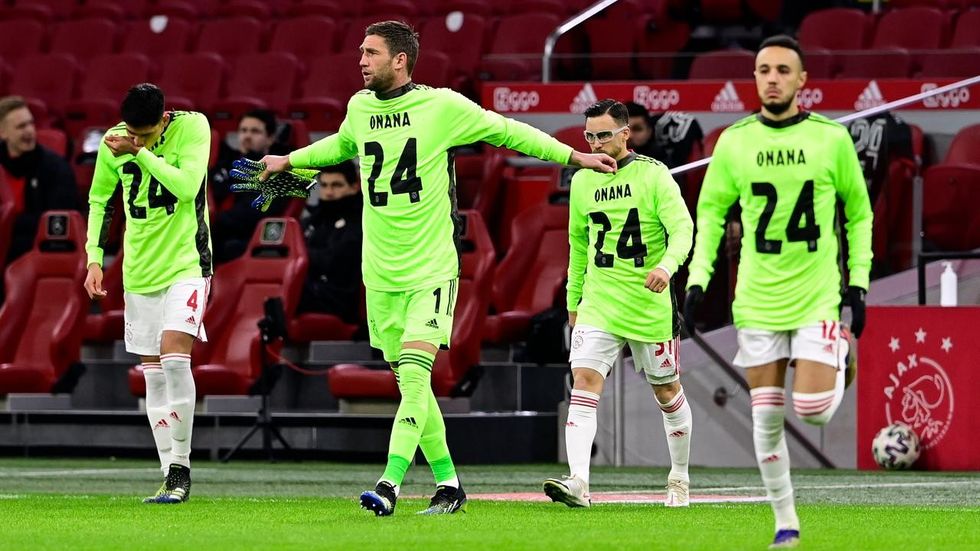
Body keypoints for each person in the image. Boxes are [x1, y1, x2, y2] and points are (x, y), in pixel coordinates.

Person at [249, 20, 616, 516]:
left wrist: (574, 156)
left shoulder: (441, 106)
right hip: (380, 271)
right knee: (412, 387)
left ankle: (389, 483)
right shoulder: (360, 108)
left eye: (372, 53)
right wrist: (288, 161)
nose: (361, 60)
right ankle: (449, 485)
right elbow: (340, 145)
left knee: (415, 376)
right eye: (361, 52)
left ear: (400, 60)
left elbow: (509, 131)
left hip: (430, 267)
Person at [683, 35, 872, 549]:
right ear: (755, 78)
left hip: (816, 296)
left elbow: (858, 214)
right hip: (757, 300)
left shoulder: (831, 139)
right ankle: (786, 525)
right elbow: (711, 213)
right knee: (766, 422)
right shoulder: (735, 142)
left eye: (783, 70)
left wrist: (858, 283)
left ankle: (840, 350)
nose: (772, 78)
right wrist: (698, 278)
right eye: (764, 70)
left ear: (802, 79)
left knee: (814, 410)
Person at [544, 99, 695, 509]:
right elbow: (578, 246)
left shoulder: (654, 174)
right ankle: (579, 482)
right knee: (584, 382)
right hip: (600, 301)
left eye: (603, 135)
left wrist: (666, 267)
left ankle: (679, 478)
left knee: (667, 391)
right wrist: (573, 301)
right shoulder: (581, 181)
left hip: (649, 303)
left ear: (625, 134)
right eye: (589, 136)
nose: (594, 142)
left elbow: (683, 229)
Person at [83, 83, 212, 504]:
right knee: (152, 375)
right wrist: (94, 259)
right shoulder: (114, 140)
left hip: (187, 264)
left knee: (174, 359)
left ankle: (181, 467)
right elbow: (100, 201)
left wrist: (139, 153)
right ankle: (167, 474)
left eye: (146, 134)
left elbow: (187, 187)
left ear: (164, 118)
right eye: (132, 133)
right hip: (139, 271)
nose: (137, 139)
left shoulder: (193, 127)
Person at [0, 96, 79, 265]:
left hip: (37, 250)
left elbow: (57, 224)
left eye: (31, 124)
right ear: (2, 133)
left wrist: (10, 224)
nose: (29, 131)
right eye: (21, 126)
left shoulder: (56, 169)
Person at [210, 109, 286, 264]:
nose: (247, 136)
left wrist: (213, 219)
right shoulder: (226, 164)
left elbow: (252, 213)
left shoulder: (276, 173)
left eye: (255, 131)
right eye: (243, 130)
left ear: (270, 138)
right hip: (218, 233)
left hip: (246, 238)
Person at [299, 160, 363, 322]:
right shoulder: (313, 220)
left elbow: (334, 259)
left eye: (337, 185)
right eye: (324, 185)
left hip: (342, 297)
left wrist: (300, 256)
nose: (329, 192)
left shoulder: (361, 222)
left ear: (354, 187)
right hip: (315, 289)